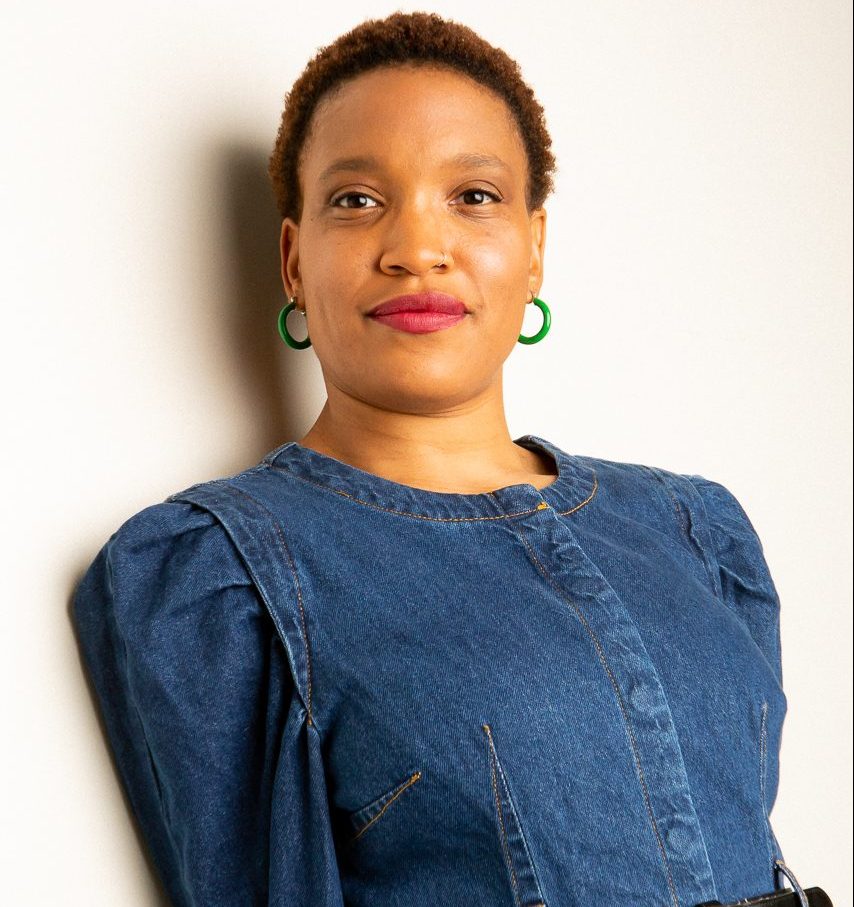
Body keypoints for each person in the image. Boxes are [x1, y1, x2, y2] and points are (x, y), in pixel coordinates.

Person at [72, 11, 829, 907]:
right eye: (358, 200)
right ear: (293, 260)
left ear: (535, 248)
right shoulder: (223, 575)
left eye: (472, 196)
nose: (417, 251)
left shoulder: (693, 530)